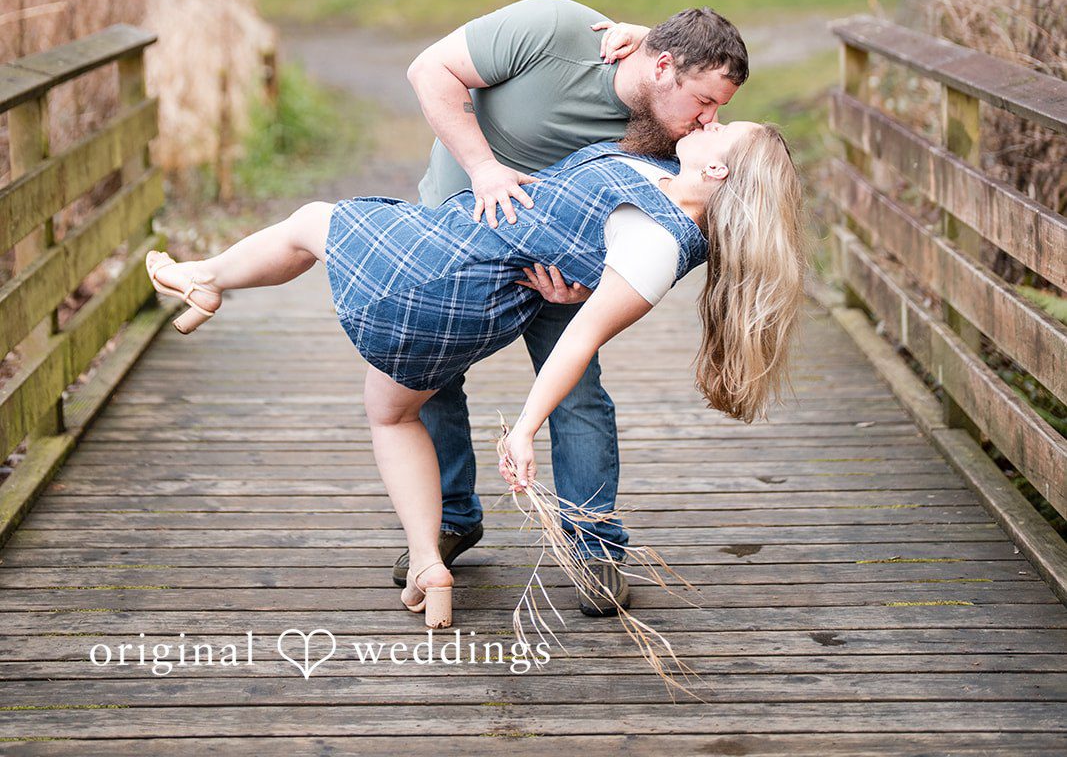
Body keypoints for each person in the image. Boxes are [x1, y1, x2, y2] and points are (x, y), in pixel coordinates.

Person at [145, 115, 806, 632]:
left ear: (717, 168)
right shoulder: (664, 181)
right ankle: (428, 566)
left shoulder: (657, 243)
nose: (711, 120)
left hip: (439, 271)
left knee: (313, 224)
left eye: (723, 127)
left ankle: (205, 278)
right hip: (463, 278)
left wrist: (523, 429)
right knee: (394, 411)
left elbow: (579, 341)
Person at [403, 0, 749, 615]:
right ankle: (451, 519)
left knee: (578, 391)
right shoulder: (553, 28)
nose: (708, 121)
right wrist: (484, 169)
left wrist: (590, 285)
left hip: (557, 270)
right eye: (704, 101)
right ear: (662, 66)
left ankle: (593, 546)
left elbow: (645, 231)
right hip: (457, 236)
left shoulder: (672, 142)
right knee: (430, 380)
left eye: (718, 109)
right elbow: (429, 70)